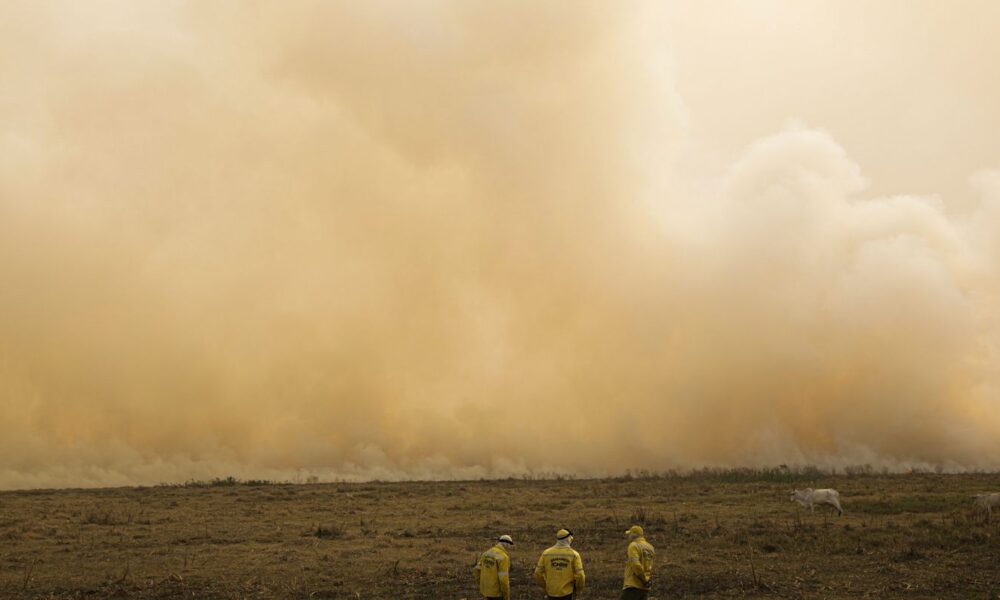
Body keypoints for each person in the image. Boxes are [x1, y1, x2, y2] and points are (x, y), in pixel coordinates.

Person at [534, 528, 585, 599]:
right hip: (567, 593)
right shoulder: (574, 554)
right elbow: (580, 575)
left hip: (551, 593)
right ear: (569, 539)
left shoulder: (546, 553)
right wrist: (578, 590)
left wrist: (546, 587)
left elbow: (537, 573)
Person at [473, 534, 514, 600]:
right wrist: (506, 596)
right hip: (496, 593)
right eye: (510, 545)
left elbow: (476, 570)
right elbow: (503, 580)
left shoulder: (486, 553)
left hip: (486, 591)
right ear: (506, 544)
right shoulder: (503, 557)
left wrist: (481, 584)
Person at [620, 525, 654, 599]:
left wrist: (643, 579)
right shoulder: (650, 547)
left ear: (633, 535)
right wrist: (647, 581)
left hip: (633, 585)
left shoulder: (633, 546)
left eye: (630, 534)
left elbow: (636, 564)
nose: (628, 536)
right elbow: (650, 566)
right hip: (645, 587)